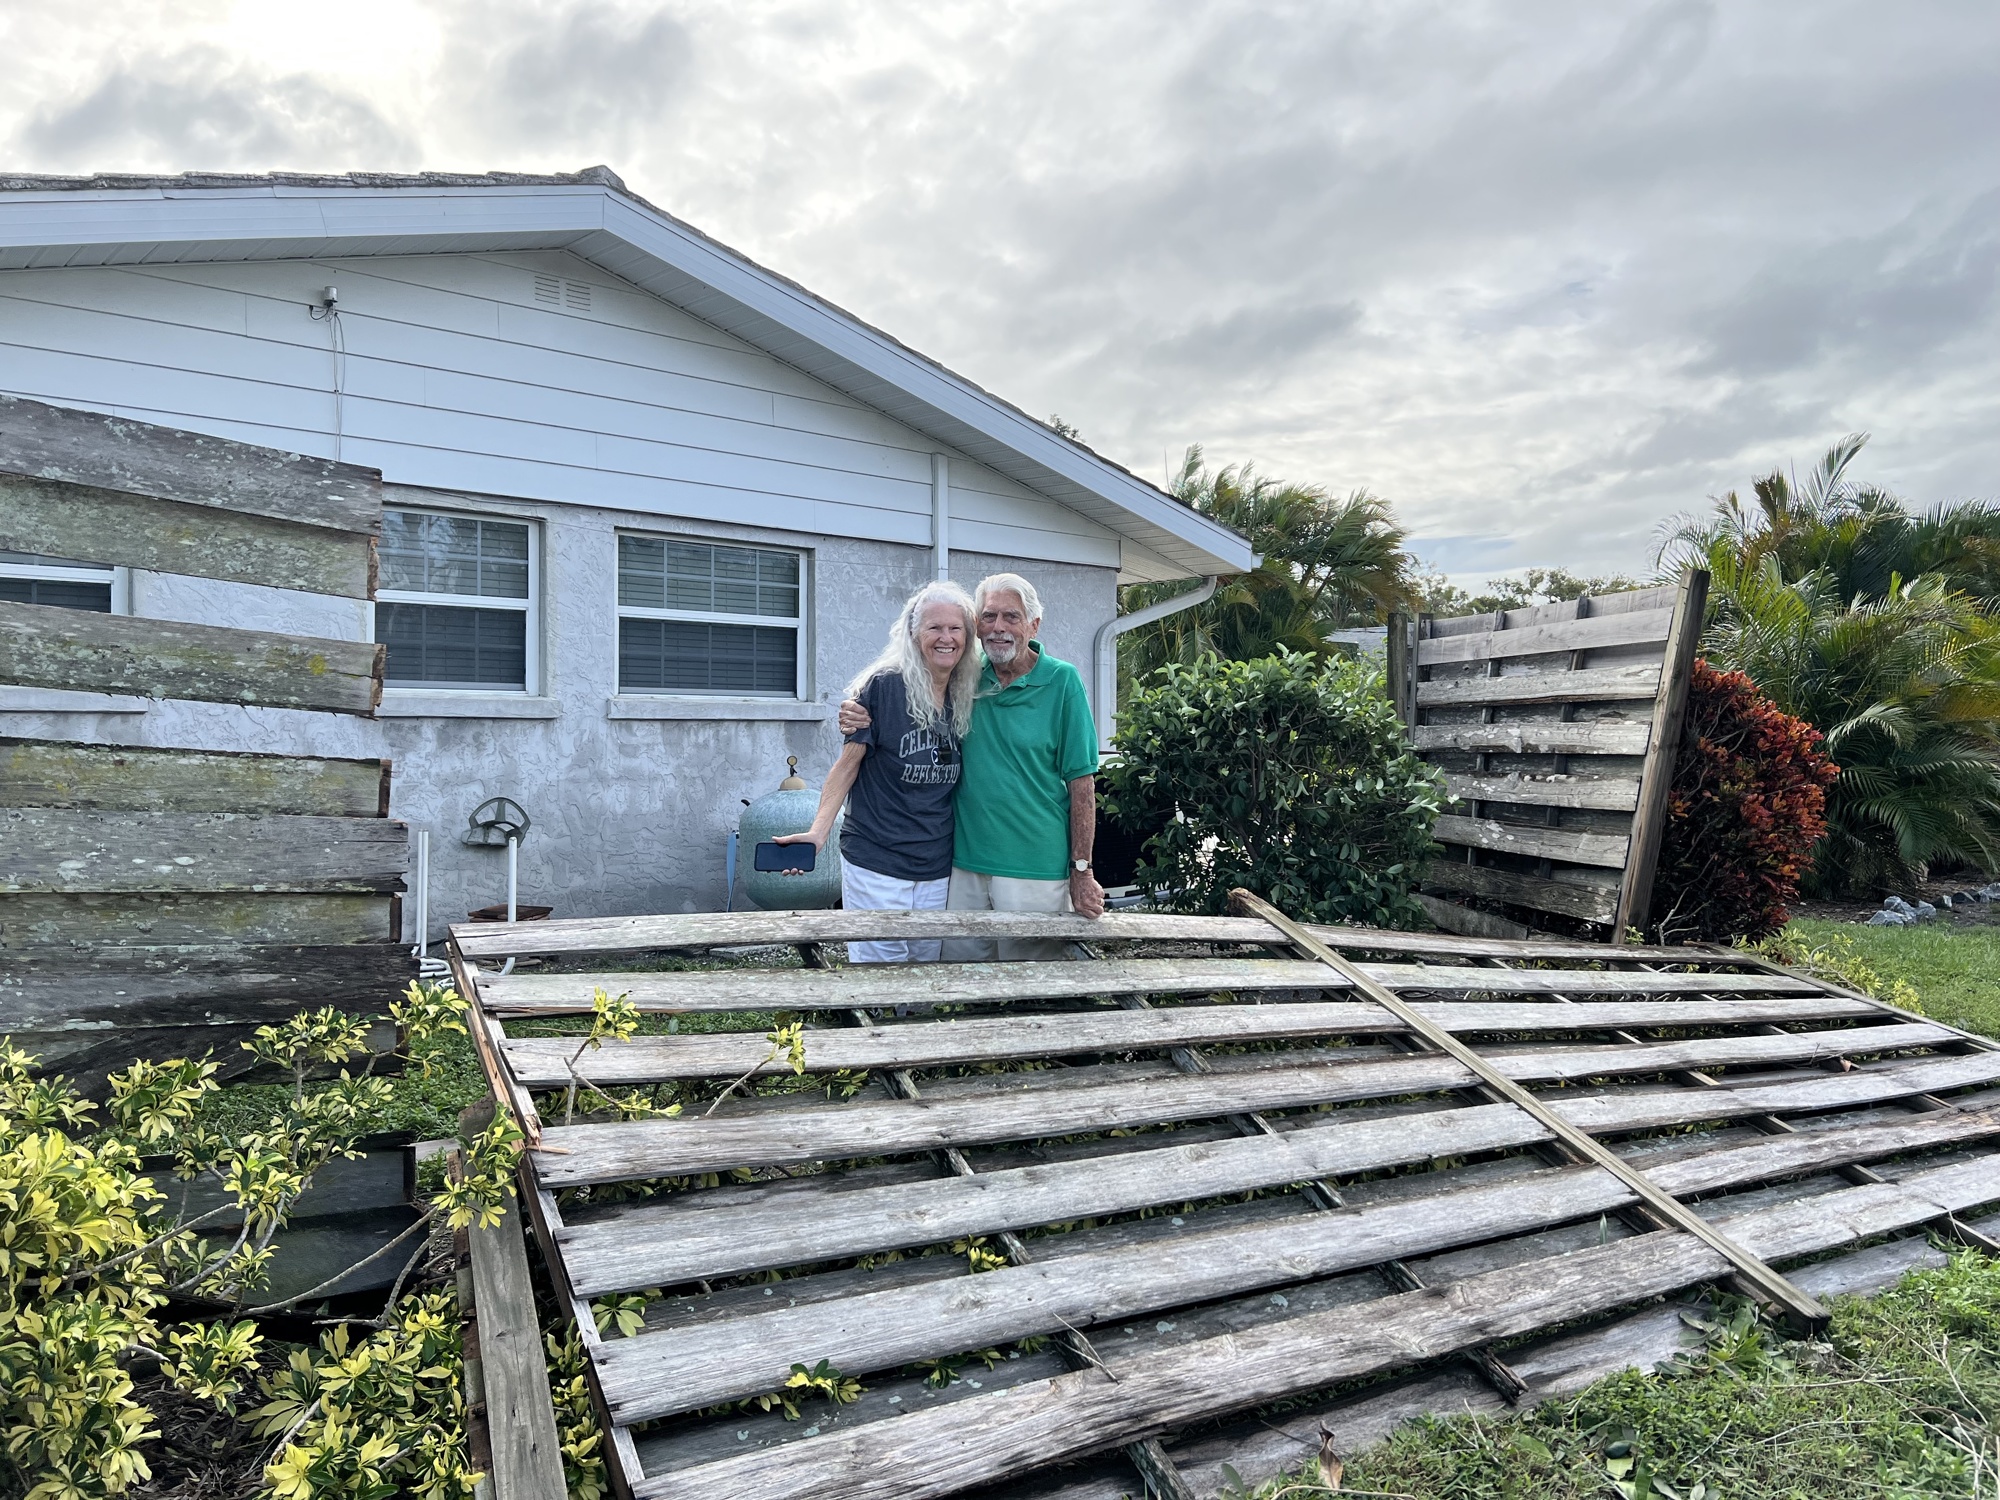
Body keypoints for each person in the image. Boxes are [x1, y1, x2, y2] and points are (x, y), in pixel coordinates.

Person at [842, 571, 1103, 961]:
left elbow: (1083, 786)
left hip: (1034, 864)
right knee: (959, 977)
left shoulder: (1062, 682)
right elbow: (906, 674)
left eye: (1011, 617)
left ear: (1034, 624)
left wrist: (1082, 869)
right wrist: (856, 707)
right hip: (962, 863)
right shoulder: (965, 676)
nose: (998, 628)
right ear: (976, 626)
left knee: (1031, 983)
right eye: (989, 616)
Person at [772, 580, 980, 964]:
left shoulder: (967, 693)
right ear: (914, 633)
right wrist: (818, 832)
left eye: (955, 628)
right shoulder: (884, 687)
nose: (946, 638)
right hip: (877, 860)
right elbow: (846, 766)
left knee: (925, 968)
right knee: (881, 967)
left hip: (936, 862)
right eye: (934, 627)